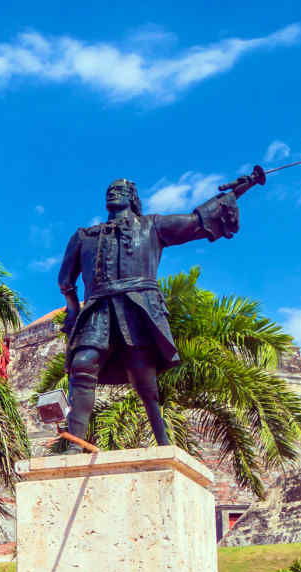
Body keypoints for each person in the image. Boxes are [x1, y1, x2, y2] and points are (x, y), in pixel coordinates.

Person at [57, 172, 260, 447]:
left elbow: (195, 222)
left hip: (137, 308)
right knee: (82, 365)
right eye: (110, 189)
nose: (113, 192)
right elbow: (66, 281)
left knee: (144, 380)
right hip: (98, 308)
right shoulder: (84, 236)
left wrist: (235, 193)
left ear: (132, 198)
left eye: (120, 189)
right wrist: (72, 310)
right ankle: (73, 445)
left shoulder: (152, 225)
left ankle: (163, 443)